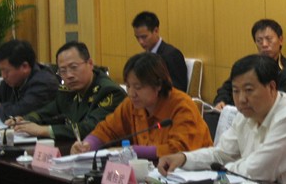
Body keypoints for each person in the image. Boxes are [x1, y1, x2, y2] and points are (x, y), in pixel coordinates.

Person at [158, 54, 286, 184]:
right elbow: (221, 154)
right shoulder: (246, 114)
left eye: (249, 90)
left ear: (271, 87)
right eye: (236, 91)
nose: (241, 99)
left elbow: (259, 170)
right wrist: (183, 158)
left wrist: (221, 170)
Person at [70, 52, 213, 159]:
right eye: (128, 86)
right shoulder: (131, 104)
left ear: (158, 85)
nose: (131, 93)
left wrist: (130, 150)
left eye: (138, 87)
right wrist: (87, 145)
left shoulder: (182, 106)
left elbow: (179, 150)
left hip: (192, 177)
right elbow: (107, 130)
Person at [7, 41, 126, 140]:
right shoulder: (68, 90)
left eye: (74, 67)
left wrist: (43, 130)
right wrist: (25, 120)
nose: (69, 75)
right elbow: (49, 111)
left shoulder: (109, 92)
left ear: (90, 64)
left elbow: (89, 128)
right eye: (63, 71)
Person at [213, 18, 286, 110]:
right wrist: (221, 101)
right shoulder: (248, 65)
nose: (264, 44)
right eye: (259, 40)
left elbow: (281, 104)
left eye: (269, 39)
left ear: (280, 40)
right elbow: (227, 88)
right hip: (235, 111)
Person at [0, 39, 59, 119]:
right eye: (1, 70)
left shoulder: (44, 83)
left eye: (6, 71)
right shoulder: (11, 81)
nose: (3, 76)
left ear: (25, 67)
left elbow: (20, 112)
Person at [132, 11, 188, 92]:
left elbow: (179, 89)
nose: (140, 42)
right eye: (137, 37)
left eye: (144, 37)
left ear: (156, 31)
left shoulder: (172, 55)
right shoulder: (143, 57)